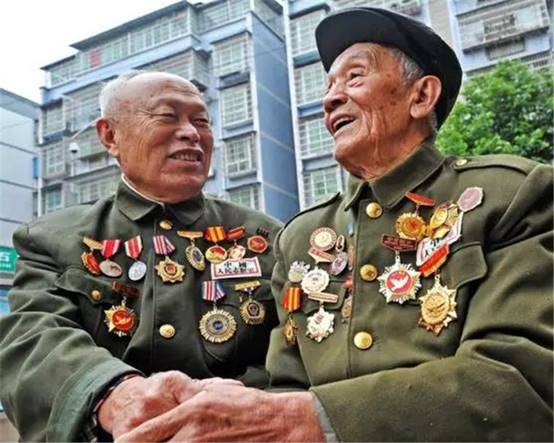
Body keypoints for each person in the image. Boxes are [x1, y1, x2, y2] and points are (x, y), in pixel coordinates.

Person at [111, 7, 553, 442]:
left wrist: (307, 418)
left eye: (354, 77)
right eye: (328, 86)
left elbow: (525, 378)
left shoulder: (509, 195)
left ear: (421, 96)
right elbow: (285, 383)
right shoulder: (302, 236)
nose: (330, 99)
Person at [0, 71, 283, 441]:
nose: (191, 133)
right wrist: (114, 395)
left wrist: (240, 409)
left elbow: (297, 350)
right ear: (110, 136)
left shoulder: (266, 237)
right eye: (167, 116)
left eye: (201, 121)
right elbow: (32, 337)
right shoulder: (53, 238)